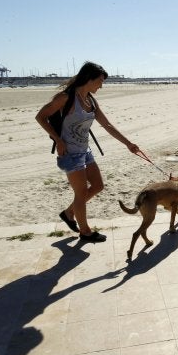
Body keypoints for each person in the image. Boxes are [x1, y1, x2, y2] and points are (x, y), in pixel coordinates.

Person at [36, 61, 140, 242]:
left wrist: (128, 144)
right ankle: (85, 231)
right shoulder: (66, 97)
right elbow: (41, 117)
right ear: (89, 79)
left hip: (85, 150)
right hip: (69, 153)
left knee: (98, 186)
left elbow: (107, 124)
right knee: (81, 193)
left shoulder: (90, 100)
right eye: (100, 81)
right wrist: (58, 139)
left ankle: (69, 213)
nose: (101, 85)